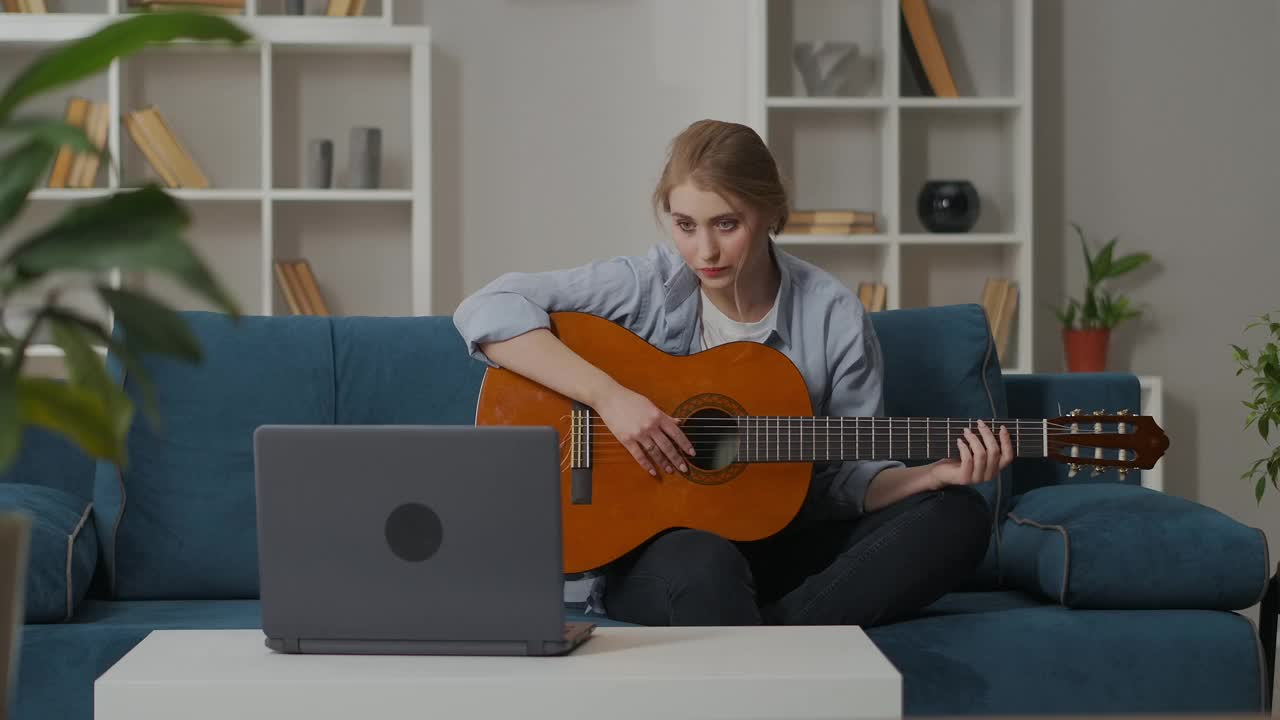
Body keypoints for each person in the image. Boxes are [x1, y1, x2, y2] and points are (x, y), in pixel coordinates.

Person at [453, 118, 1012, 627]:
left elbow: (846, 483)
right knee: (706, 566)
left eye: (727, 223)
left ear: (769, 212)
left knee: (957, 516)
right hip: (668, 550)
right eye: (685, 225)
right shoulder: (647, 283)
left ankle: (774, 632)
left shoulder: (833, 314)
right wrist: (609, 396)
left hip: (786, 544)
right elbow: (487, 308)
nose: (705, 250)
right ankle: (781, 634)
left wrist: (929, 476)